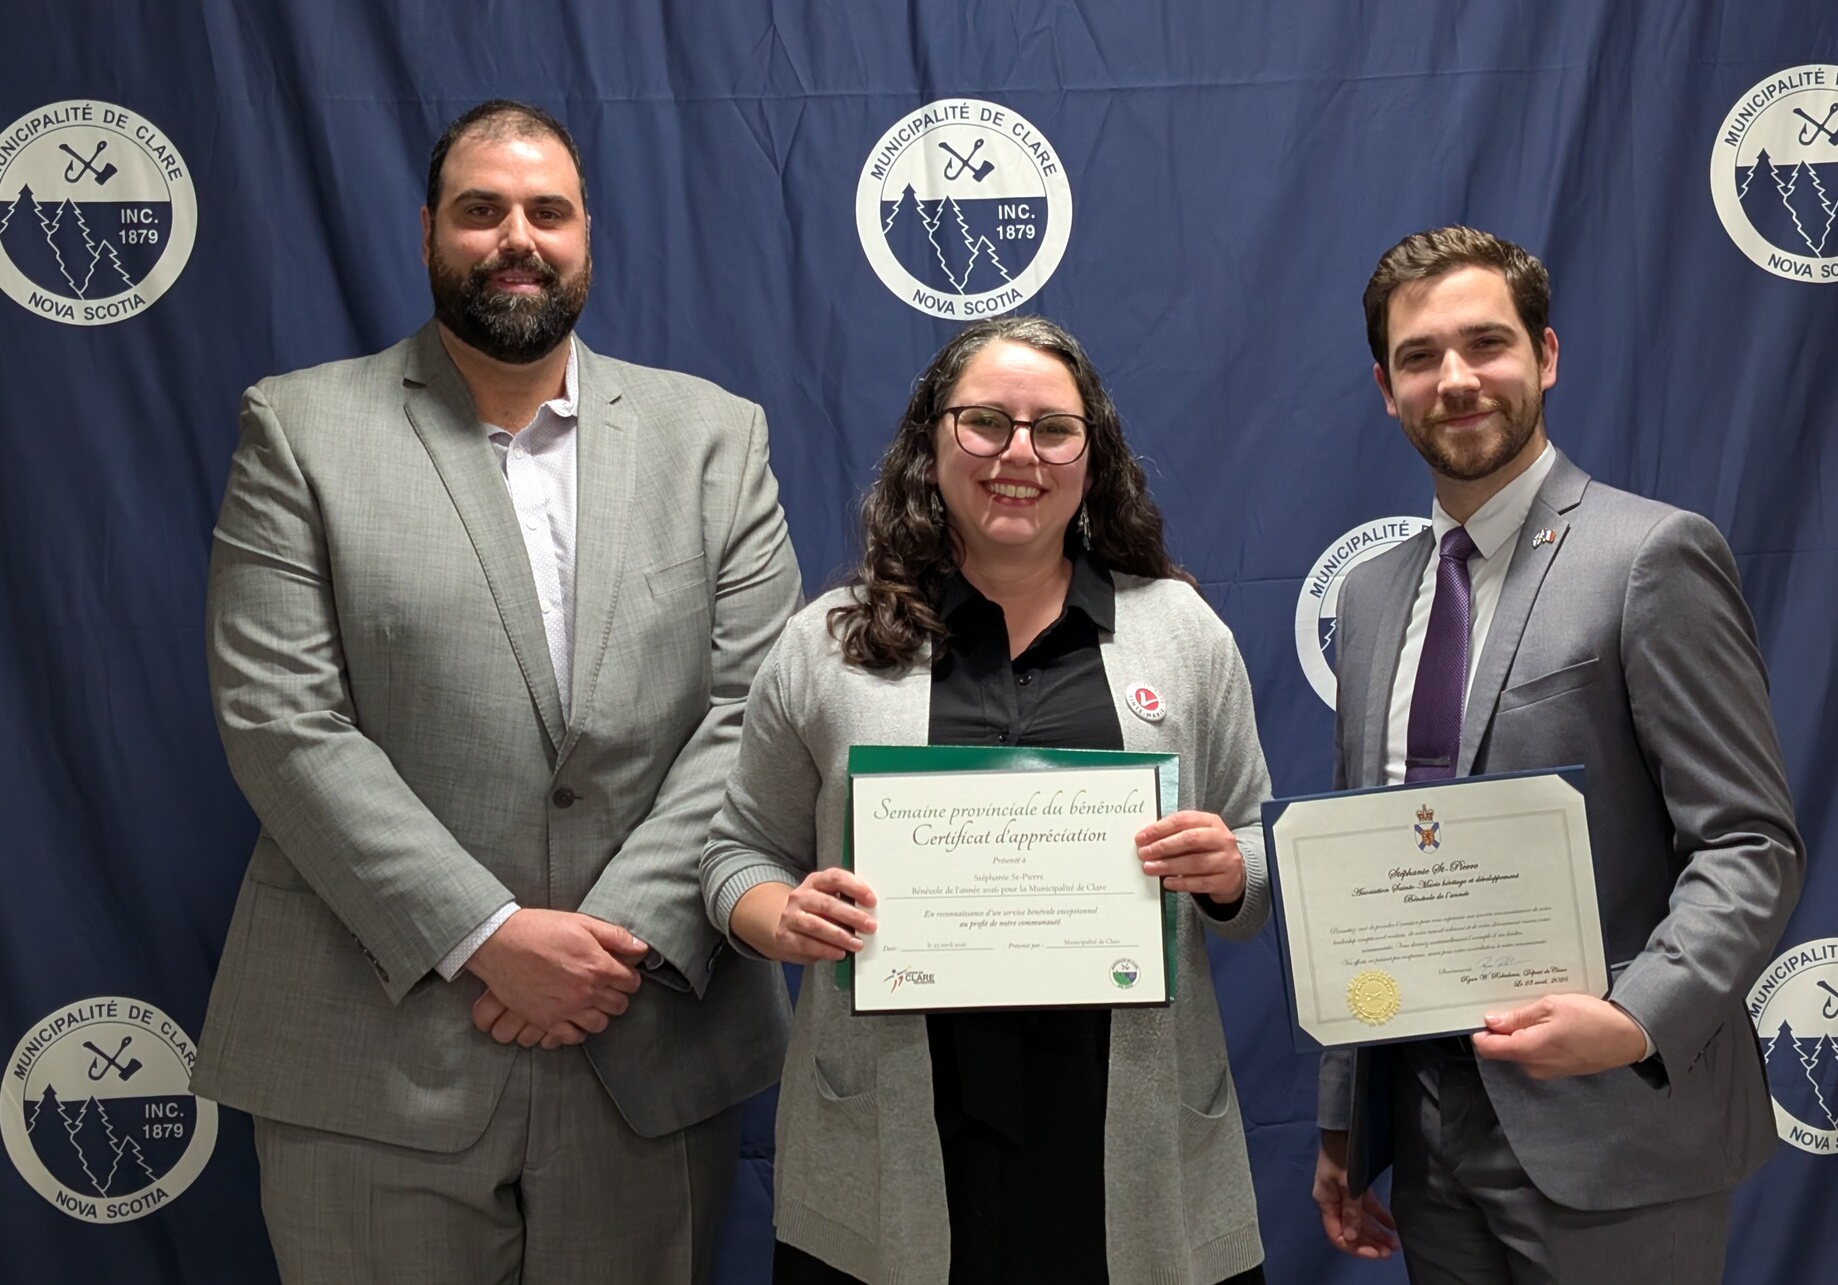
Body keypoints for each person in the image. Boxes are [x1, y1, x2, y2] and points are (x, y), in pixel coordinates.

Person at [192, 99, 803, 1284]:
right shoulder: (300, 428)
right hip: (374, 1050)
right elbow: (282, 721)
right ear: (430, 232)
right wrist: (486, 936)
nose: (516, 236)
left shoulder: (715, 437)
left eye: (547, 211)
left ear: (588, 236)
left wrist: (609, 945)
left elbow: (755, 713)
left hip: (647, 1040)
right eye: (482, 211)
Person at [701, 317, 1272, 1285]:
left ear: (1094, 458)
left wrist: (1227, 871)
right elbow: (734, 856)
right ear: (932, 443)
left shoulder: (1180, 633)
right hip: (894, 1141)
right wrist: (782, 915)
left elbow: (1258, 849)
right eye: (986, 424)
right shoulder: (826, 646)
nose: (1020, 453)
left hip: (1125, 1139)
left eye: (1054, 429)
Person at [1311, 226, 1805, 1284]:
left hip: (1617, 1126)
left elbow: (1750, 846)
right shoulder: (1367, 597)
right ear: (1385, 387)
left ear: (1546, 356)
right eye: (1418, 357)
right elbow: (1366, 879)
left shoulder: (1650, 556)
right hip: (1431, 1138)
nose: (1455, 379)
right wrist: (1350, 1120)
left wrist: (1634, 1020)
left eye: (1486, 344)